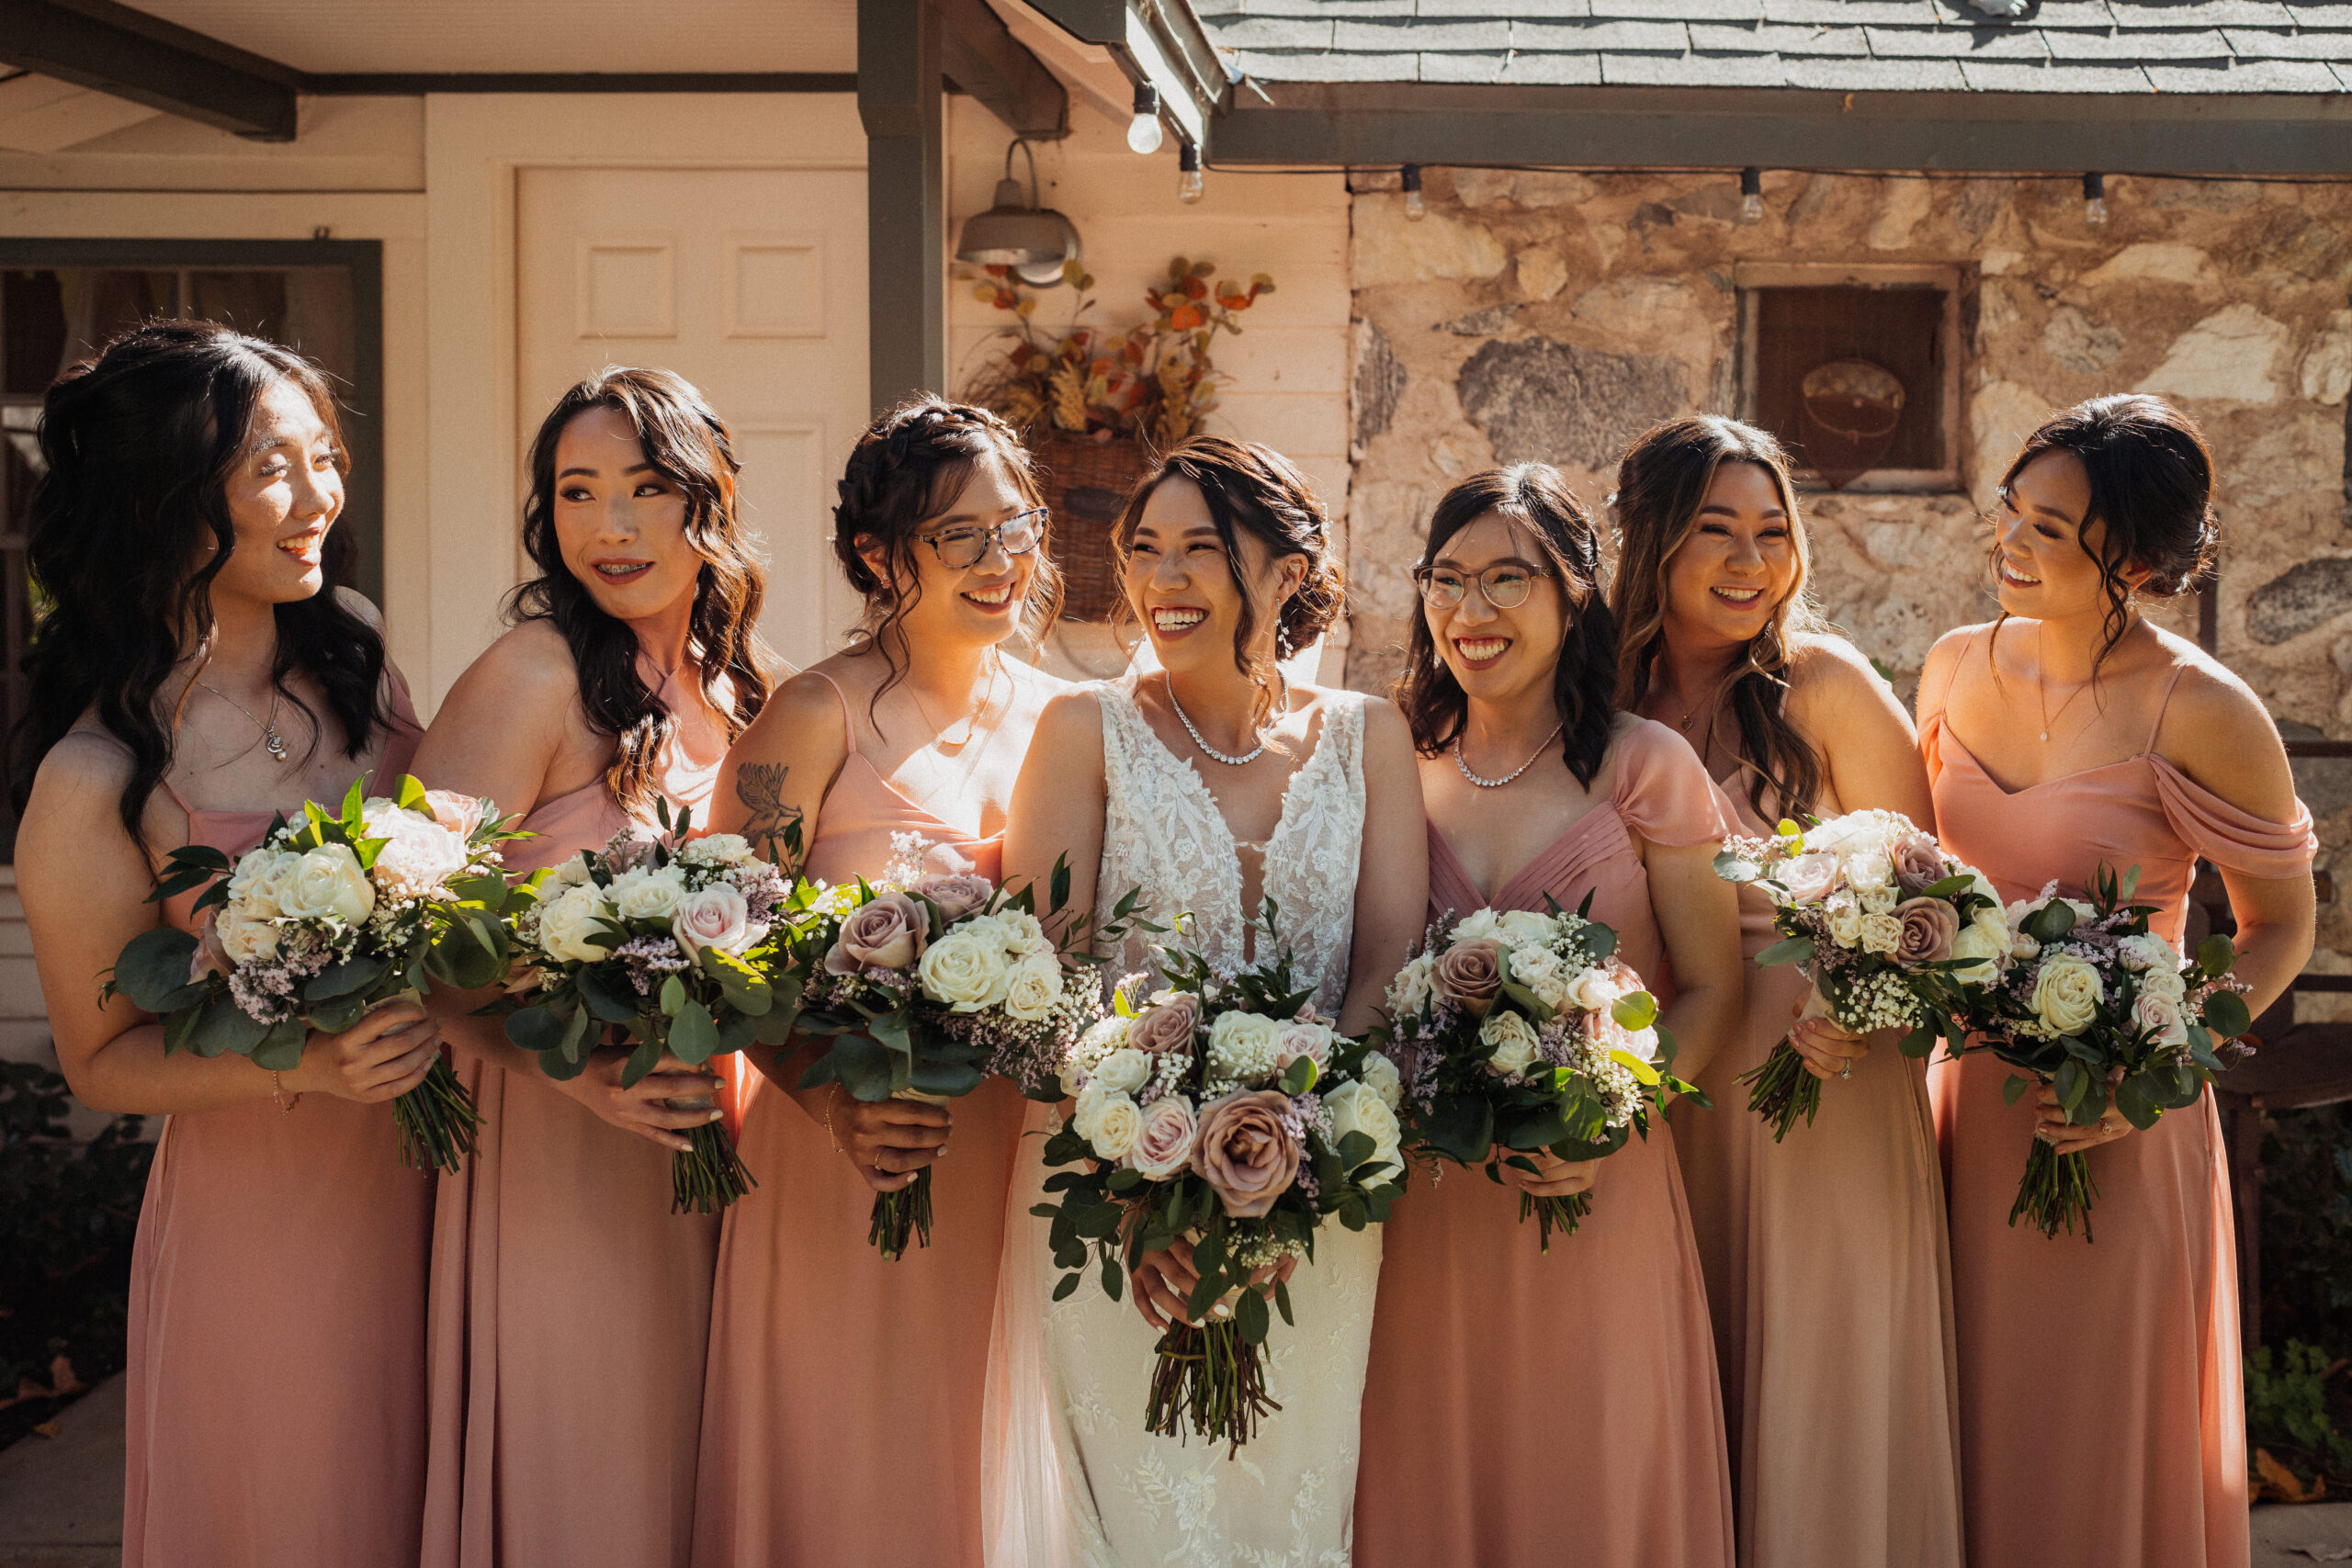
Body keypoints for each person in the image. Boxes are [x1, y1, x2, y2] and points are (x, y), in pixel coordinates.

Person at [15, 321, 437, 1568]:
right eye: (270, 468)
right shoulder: (94, 776)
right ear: (166, 498)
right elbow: (103, 1059)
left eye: (326, 458)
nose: (318, 498)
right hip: (274, 1224)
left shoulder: (360, 666)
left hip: (454, 1183)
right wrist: (306, 1067)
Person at [986, 435, 1427, 1567]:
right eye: (1144, 550)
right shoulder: (1083, 730)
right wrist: (1145, 1183)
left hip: (1319, 1202)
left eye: (1200, 551)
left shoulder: (1370, 735)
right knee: (1137, 1520)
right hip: (1116, 1202)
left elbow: (1384, 960)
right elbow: (1052, 975)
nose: (1161, 580)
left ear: (1285, 571)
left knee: (1290, 1516)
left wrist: (1299, 1161)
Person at [1918, 394, 2314, 1568]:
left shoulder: (2203, 706)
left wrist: (2148, 1067)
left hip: (2115, 1124)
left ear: (2134, 558)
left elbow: (2277, 924)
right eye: (2013, 511)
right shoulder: (1947, 667)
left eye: (2051, 528)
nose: (2013, 541)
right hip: (1959, 1111)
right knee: (1965, 1415)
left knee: (2091, 1430)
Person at [692, 398, 1065, 1568]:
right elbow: (715, 947)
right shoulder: (815, 714)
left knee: (984, 1469)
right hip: (843, 1147)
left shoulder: (1063, 716)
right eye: (958, 536)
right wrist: (833, 1103)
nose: (1000, 562)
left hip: (1010, 1153)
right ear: (875, 555)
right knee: (851, 1464)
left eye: (1015, 527)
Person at [414, 367, 774, 1568]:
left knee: (698, 1475)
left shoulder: (738, 690)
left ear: (710, 498)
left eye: (644, 488)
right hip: (563, 1134)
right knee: (596, 1475)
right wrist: (574, 1078)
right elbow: (399, 925)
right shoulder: (531, 674)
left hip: (715, 1149)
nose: (609, 526)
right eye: (577, 491)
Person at [1352, 462, 1740, 1567]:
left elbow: (1712, 984)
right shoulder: (1389, 758)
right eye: (1448, 579)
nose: (1471, 612)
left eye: (1507, 579)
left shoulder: (1642, 765)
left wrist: (1614, 1116)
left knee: (1589, 1478)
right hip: (1425, 1199)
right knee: (1428, 1477)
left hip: (1597, 1186)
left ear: (1573, 590)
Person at [1612, 416, 1963, 1568]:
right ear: (1650, 539)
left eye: (1772, 532)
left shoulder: (1822, 684)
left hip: (1821, 1088)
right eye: (1716, 531)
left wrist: (1866, 1012)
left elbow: (1937, 908)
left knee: (1821, 1377)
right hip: (1669, 1084)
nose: (1752, 562)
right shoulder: (1598, 692)